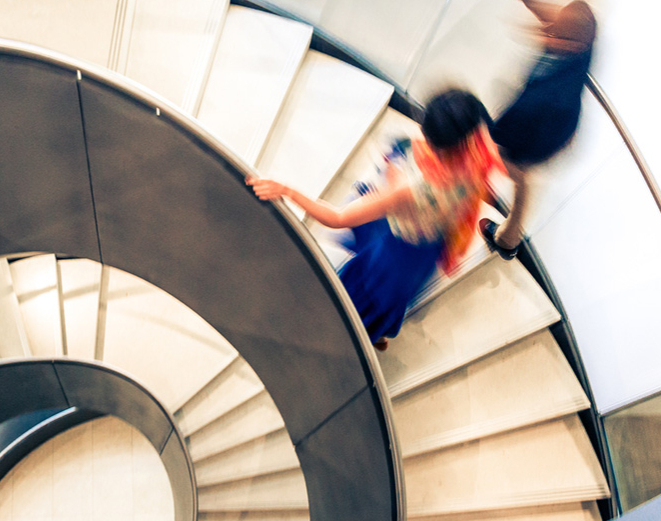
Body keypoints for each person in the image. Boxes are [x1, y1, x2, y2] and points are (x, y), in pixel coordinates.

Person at [249, 89, 504, 350]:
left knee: (362, 298)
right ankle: (377, 335)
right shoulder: (478, 164)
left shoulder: (410, 191)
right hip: (427, 253)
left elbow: (338, 218)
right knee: (391, 301)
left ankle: (354, 339)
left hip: (392, 257)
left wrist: (288, 191)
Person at [481, 0, 597, 259]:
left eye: (555, 33)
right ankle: (509, 240)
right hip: (554, 131)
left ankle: (482, 218)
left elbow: (504, 132)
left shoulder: (547, 99)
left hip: (537, 140)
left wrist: (493, 141)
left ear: (571, 44)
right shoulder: (581, 46)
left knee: (507, 167)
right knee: (520, 182)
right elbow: (558, 21)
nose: (547, 32)